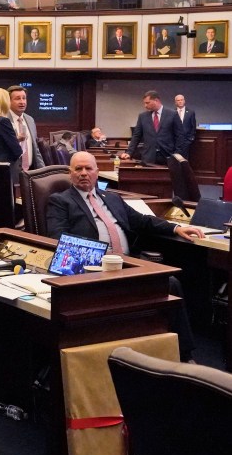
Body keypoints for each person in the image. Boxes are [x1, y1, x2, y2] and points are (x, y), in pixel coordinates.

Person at [45, 151, 203, 361]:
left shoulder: (112, 197)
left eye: (88, 168)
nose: (84, 173)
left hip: (127, 263)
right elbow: (58, 238)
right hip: (93, 269)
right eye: (78, 169)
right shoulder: (60, 201)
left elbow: (143, 221)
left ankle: (184, 354)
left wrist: (175, 228)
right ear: (70, 173)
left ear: (97, 172)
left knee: (171, 282)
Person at [120, 90, 182, 165]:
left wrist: (177, 154)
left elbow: (180, 136)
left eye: (147, 103)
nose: (145, 106)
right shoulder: (143, 116)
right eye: (144, 103)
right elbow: (136, 136)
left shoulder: (172, 114)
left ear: (156, 100)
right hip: (148, 157)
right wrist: (129, 152)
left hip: (167, 156)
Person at [8, 85, 45, 172]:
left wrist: (43, 171)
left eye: (24, 98)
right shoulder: (4, 120)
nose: (22, 102)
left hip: (31, 172)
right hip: (12, 172)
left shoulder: (30, 120)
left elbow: (35, 149)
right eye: (17, 98)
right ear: (8, 101)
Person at [173, 94, 197, 159]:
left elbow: (193, 126)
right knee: (176, 160)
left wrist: (190, 139)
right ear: (175, 102)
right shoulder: (172, 112)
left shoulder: (191, 112)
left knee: (185, 160)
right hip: (175, 141)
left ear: (184, 101)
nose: (180, 101)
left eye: (181, 100)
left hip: (186, 141)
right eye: (178, 100)